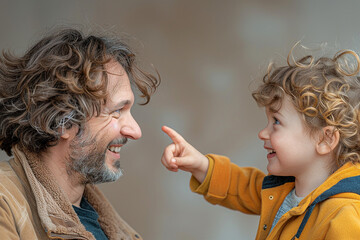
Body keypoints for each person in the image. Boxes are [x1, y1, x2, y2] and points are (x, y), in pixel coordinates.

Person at [161, 48, 360, 239]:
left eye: (277, 122)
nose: (263, 133)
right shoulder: (284, 189)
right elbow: (240, 186)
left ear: (325, 140)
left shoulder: (343, 215)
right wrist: (201, 165)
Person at [0, 28, 160, 240]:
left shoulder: (114, 228)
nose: (135, 131)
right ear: (63, 122)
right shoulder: (5, 204)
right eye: (116, 112)